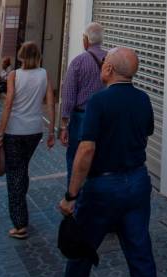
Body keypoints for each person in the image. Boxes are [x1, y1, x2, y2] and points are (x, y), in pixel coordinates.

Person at [47, 47, 165, 277]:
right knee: (142, 265)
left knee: (81, 256)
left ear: (109, 69)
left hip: (102, 190)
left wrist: (71, 195)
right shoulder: (143, 100)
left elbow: (85, 150)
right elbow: (147, 133)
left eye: (103, 65)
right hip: (137, 185)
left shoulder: (98, 102)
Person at [0, 42, 56, 239]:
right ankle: (21, 200)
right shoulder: (44, 74)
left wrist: (0, 132)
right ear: (38, 56)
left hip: (15, 130)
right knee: (21, 168)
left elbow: (9, 103)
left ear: (21, 56)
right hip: (34, 131)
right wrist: (51, 131)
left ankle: (20, 224)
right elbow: (51, 102)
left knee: (14, 174)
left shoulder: (15, 75)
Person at [59, 23, 107, 183]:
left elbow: (68, 94)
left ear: (86, 40)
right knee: (99, 157)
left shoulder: (78, 61)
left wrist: (64, 124)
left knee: (75, 159)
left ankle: (73, 198)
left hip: (81, 118)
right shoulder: (111, 60)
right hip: (104, 117)